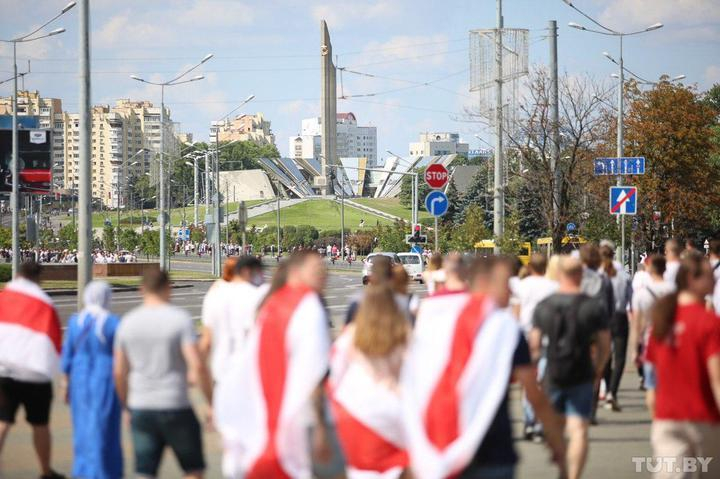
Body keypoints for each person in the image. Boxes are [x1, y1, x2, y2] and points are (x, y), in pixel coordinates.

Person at [402, 256, 565, 479]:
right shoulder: (502, 327)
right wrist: (557, 442)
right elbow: (533, 392)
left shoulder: (436, 319)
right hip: (492, 450)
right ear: (485, 282)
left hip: (438, 442)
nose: (510, 291)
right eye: (504, 283)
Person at [214, 251, 332, 478]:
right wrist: (320, 427)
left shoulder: (271, 302)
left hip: (260, 399)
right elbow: (314, 373)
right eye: (317, 270)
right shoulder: (306, 305)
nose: (324, 274)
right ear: (296, 273)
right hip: (298, 412)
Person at [114, 270, 213, 479]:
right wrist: (210, 402)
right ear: (169, 289)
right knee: (193, 468)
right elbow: (197, 365)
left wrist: (124, 407)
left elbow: (119, 371)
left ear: (142, 290)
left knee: (145, 470)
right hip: (175, 404)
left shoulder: (127, 322)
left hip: (141, 405)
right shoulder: (180, 319)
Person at [531, 256, 611, 479]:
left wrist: (534, 373)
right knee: (579, 430)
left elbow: (535, 345)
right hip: (582, 371)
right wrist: (598, 369)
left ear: (558, 275)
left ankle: (563, 470)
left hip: (553, 372)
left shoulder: (544, 306)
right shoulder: (593, 306)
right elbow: (605, 344)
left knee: (554, 429)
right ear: (581, 275)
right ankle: (573, 475)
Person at [646, 254, 720, 478]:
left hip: (666, 418)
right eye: (709, 275)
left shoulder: (661, 321)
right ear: (691, 278)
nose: (714, 280)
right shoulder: (709, 323)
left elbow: (653, 378)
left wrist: (655, 412)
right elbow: (717, 379)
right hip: (703, 418)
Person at [328, 284, 410, 478]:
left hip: (354, 407)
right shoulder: (402, 333)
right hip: (393, 406)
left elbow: (335, 371)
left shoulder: (352, 333)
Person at [0, 261, 65, 479]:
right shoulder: (44, 302)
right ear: (39, 278)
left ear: (18, 275)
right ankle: (46, 471)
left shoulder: (3, 296)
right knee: (40, 424)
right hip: (35, 373)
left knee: (3, 421)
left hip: (4, 369)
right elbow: (55, 340)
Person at [60, 281, 123, 479]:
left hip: (79, 380)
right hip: (105, 379)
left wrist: (64, 384)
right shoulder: (113, 322)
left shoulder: (75, 322)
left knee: (82, 427)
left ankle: (83, 470)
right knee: (105, 428)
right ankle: (105, 471)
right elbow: (122, 359)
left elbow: (67, 356)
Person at [513, 253, 559, 441]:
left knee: (528, 380)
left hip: (525, 336)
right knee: (543, 379)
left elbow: (515, 313)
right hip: (547, 337)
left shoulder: (521, 286)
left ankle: (529, 421)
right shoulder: (554, 287)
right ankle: (538, 422)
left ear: (530, 267)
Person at [199, 255, 266, 383]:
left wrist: (198, 368)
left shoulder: (215, 294)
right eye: (259, 272)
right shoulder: (258, 295)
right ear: (247, 271)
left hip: (221, 370)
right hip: (249, 371)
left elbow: (206, 339)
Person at [632, 255, 674, 415]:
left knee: (651, 386)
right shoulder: (673, 290)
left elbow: (637, 324)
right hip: (671, 343)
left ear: (649, 269)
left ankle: (657, 418)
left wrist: (635, 349)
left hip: (650, 342)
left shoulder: (641, 294)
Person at [600, 244, 632, 412]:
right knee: (619, 358)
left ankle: (607, 387)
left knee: (605, 355)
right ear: (614, 256)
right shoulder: (623, 276)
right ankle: (612, 391)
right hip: (619, 317)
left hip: (602, 318)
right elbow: (630, 300)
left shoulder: (598, 275)